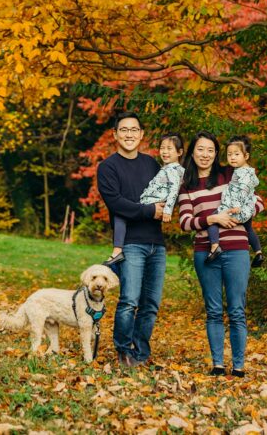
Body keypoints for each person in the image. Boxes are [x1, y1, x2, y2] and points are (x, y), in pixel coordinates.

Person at [177, 131, 263, 378]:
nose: (205, 155)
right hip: (206, 252)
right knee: (213, 310)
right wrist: (213, 218)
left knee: (237, 309)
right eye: (200, 149)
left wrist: (240, 215)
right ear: (193, 152)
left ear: (217, 154)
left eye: (211, 150)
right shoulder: (187, 186)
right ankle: (217, 364)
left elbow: (258, 201)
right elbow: (184, 222)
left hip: (236, 249)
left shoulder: (230, 175)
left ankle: (238, 366)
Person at [96, 111, 166, 368]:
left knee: (151, 305)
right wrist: (149, 210)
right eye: (123, 130)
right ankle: (123, 351)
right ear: (115, 135)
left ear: (141, 135)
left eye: (134, 130)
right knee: (129, 301)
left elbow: (166, 195)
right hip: (130, 244)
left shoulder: (151, 165)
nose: (129, 134)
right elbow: (117, 204)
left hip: (157, 243)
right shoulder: (107, 167)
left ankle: (141, 354)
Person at [104, 133, 184, 266]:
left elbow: (174, 191)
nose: (165, 152)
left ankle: (117, 251)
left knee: (120, 214)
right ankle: (116, 254)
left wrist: (168, 211)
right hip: (149, 202)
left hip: (151, 203)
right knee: (122, 214)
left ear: (179, 152)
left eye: (169, 149)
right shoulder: (166, 167)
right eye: (162, 148)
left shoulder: (174, 170)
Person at [204, 135, 264, 268]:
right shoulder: (247, 171)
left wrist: (237, 206)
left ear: (246, 156)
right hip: (246, 208)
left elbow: (242, 190)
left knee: (212, 220)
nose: (232, 157)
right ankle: (259, 252)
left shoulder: (241, 173)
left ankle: (215, 247)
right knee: (248, 229)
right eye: (230, 154)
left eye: (236, 154)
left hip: (236, 207)